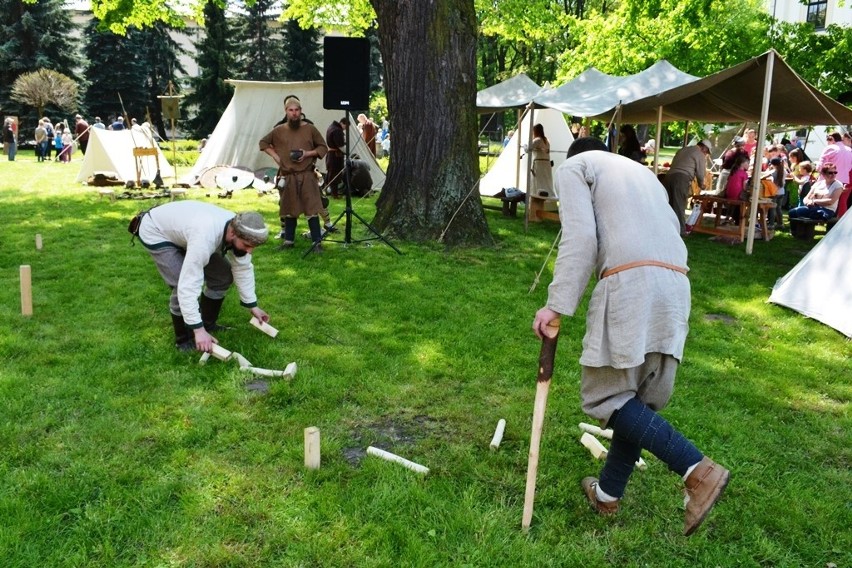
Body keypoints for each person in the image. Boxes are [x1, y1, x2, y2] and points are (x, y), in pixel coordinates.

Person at [532, 137, 730, 537]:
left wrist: (556, 305)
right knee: (638, 402)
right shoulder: (641, 172)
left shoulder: (576, 168)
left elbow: (581, 239)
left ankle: (698, 470)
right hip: (677, 283)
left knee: (607, 396)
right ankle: (607, 494)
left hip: (631, 281)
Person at [135, 201, 271, 352]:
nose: (250, 251)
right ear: (232, 233)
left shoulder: (241, 228)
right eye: (246, 245)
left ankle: (208, 324)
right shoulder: (206, 236)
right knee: (181, 282)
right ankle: (184, 340)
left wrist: (253, 306)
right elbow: (189, 284)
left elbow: (243, 268)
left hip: (188, 231)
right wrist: (197, 330)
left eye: (253, 247)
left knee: (222, 276)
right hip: (157, 231)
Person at [259, 95, 328, 251]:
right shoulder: (279, 130)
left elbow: (323, 147)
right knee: (290, 209)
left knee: (311, 209)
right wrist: (277, 157)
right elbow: (263, 143)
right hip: (288, 175)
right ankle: (288, 242)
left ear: (301, 111)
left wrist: (307, 154)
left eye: (297, 110)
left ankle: (316, 243)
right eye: (291, 110)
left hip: (307, 174)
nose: (294, 113)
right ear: (286, 111)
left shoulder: (310, 129)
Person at [662, 140, 712, 235]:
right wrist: (702, 185)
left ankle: (666, 227)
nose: (706, 154)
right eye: (707, 152)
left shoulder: (683, 149)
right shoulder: (699, 154)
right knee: (679, 205)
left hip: (668, 177)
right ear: (704, 148)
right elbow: (700, 173)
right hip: (681, 178)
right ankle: (681, 230)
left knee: (668, 204)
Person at [816, 132, 852, 218]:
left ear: (832, 139)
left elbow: (820, 166)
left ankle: (821, 219)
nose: (827, 142)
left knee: (823, 201)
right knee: (841, 202)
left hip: (829, 181)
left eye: (828, 139)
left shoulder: (830, 148)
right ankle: (839, 224)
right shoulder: (849, 150)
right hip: (844, 181)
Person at [527, 123, 554, 198]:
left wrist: (525, 146)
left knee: (538, 182)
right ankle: (549, 199)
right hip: (546, 164)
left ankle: (537, 199)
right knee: (546, 182)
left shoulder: (537, 140)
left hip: (539, 164)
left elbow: (528, 148)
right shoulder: (546, 140)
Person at [325, 116, 349, 199]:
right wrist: (347, 152)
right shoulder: (337, 130)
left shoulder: (331, 127)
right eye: (345, 127)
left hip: (331, 154)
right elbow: (340, 146)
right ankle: (334, 194)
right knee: (335, 174)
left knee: (331, 173)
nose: (345, 129)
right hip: (335, 155)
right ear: (343, 123)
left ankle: (330, 191)